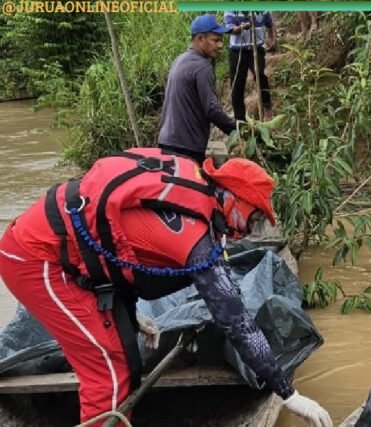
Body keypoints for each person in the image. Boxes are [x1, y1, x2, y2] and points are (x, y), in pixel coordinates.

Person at [0, 148, 332, 427]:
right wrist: (288, 393)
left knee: (128, 361)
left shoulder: (193, 189)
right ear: (232, 199)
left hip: (70, 257)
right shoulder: (192, 237)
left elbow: (118, 250)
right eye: (255, 217)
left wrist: (130, 316)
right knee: (107, 371)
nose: (251, 229)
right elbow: (237, 322)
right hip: (34, 257)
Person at [158, 14, 237, 165]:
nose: (220, 46)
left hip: (167, 141)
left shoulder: (179, 60)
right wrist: (237, 130)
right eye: (215, 40)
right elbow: (212, 110)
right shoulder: (202, 66)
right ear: (200, 39)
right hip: (187, 147)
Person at [224, 11, 277, 122]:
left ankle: (267, 108)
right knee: (237, 86)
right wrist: (241, 28)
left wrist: (272, 39)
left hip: (257, 49)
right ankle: (240, 120)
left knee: (260, 76)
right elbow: (229, 29)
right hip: (237, 51)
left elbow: (270, 23)